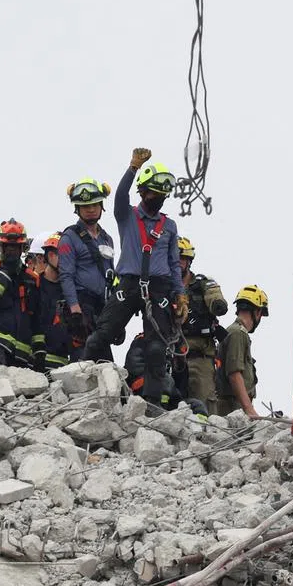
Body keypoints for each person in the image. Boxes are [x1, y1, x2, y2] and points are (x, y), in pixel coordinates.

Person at [84, 147, 186, 410]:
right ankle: (96, 388)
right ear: (142, 192)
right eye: (154, 192)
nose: (158, 198)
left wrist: (180, 294)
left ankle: (150, 404)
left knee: (155, 350)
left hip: (160, 288)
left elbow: (174, 264)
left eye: (163, 194)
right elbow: (119, 196)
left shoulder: (169, 226)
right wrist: (133, 168)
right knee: (99, 337)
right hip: (129, 284)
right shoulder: (127, 215)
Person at [58, 178, 116, 361]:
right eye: (85, 206)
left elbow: (112, 276)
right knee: (84, 358)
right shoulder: (69, 237)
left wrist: (117, 316)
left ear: (101, 206)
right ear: (77, 208)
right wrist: (75, 310)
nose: (90, 209)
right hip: (83, 305)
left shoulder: (107, 239)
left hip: (103, 307)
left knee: (106, 362)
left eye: (94, 204)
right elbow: (66, 275)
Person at [0, 219, 44, 367]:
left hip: (22, 354)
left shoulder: (32, 278)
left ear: (22, 248)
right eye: (7, 246)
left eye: (15, 246)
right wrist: (5, 273)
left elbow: (37, 319)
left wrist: (39, 352)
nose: (11, 250)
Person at [178, 237, 228, 410]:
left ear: (189, 261)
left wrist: (217, 305)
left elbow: (215, 297)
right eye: (174, 258)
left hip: (200, 357)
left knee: (205, 406)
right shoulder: (164, 286)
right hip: (171, 355)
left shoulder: (202, 284)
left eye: (182, 258)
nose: (178, 262)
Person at [213, 286, 267, 419]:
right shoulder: (237, 333)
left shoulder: (236, 332)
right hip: (232, 411)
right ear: (258, 312)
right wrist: (250, 410)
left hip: (235, 410)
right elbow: (234, 373)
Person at [34, 233, 73, 373]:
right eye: (63, 255)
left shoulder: (70, 291)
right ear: (49, 255)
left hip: (61, 364)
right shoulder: (33, 285)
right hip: (33, 361)